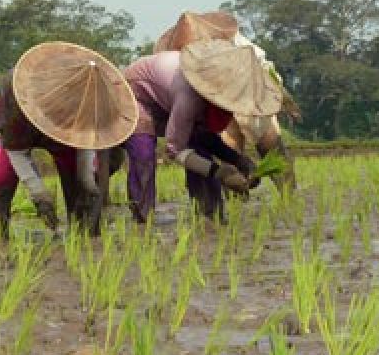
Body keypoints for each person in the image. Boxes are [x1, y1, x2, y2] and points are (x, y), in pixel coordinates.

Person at [0, 41, 137, 239]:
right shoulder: (17, 91)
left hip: (68, 130)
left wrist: (87, 181)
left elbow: (86, 142)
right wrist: (38, 193)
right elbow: (16, 149)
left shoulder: (92, 96)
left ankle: (85, 237)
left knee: (83, 186)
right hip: (11, 123)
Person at [116, 38, 282, 221]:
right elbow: (174, 150)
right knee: (143, 151)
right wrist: (219, 172)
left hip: (167, 95)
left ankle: (210, 215)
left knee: (201, 150)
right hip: (136, 93)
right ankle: (142, 219)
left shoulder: (218, 96)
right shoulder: (189, 98)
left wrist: (240, 161)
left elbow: (207, 138)